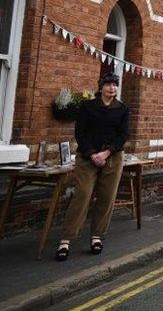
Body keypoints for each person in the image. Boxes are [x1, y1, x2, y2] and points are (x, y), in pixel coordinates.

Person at [56, 73, 130, 261]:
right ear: (101, 87)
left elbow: (123, 136)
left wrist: (106, 153)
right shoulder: (88, 107)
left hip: (112, 157)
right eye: (108, 84)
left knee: (106, 197)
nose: (112, 88)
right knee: (83, 194)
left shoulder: (122, 109)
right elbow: (80, 132)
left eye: (115, 85)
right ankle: (66, 239)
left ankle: (97, 236)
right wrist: (92, 154)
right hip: (87, 157)